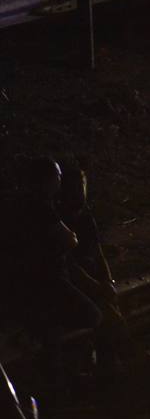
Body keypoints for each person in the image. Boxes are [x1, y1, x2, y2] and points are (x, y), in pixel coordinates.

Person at [6, 156, 101, 389]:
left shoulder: (22, 205)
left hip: (31, 283)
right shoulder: (41, 207)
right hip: (49, 281)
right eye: (58, 176)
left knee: (52, 330)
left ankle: (58, 376)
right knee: (91, 315)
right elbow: (69, 240)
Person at [58, 161, 134, 378]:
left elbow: (98, 253)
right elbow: (68, 265)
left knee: (110, 306)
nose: (81, 191)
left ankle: (111, 361)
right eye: (76, 187)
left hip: (91, 280)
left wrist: (107, 280)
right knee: (108, 314)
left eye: (83, 185)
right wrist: (97, 286)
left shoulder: (85, 217)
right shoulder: (60, 221)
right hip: (75, 285)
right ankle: (122, 358)